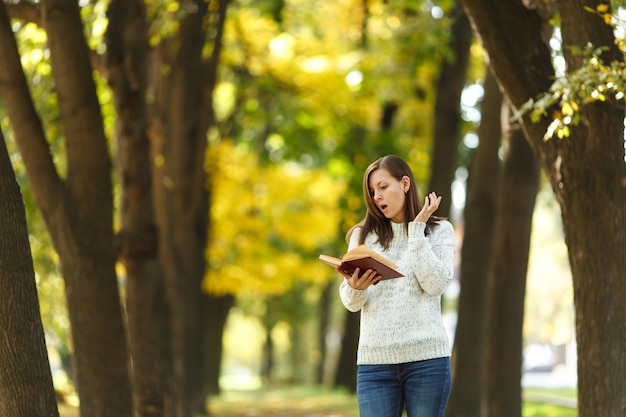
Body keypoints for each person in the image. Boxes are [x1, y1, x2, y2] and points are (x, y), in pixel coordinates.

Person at [338, 155, 455, 417]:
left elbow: (435, 284)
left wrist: (416, 232)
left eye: (382, 187)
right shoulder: (362, 235)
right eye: (371, 191)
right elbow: (351, 303)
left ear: (404, 183)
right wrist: (356, 287)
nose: (377, 197)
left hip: (426, 361)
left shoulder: (440, 231)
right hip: (375, 365)